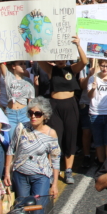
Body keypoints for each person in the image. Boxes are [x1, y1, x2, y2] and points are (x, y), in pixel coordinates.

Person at [36, 35, 88, 184]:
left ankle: (69, 170)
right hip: (55, 107)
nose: (61, 60)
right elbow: (39, 59)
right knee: (55, 138)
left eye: (63, 57)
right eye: (58, 57)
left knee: (70, 137)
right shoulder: (51, 69)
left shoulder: (71, 68)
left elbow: (84, 62)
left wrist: (78, 45)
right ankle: (53, 169)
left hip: (70, 106)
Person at [4, 97, 61, 214]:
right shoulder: (21, 128)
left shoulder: (51, 134)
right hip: (20, 175)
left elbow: (56, 160)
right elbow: (10, 150)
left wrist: (54, 184)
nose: (33, 116)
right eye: (31, 113)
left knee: (38, 211)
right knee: (22, 210)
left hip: (41, 176)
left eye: (37, 114)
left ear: (45, 116)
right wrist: (6, 173)